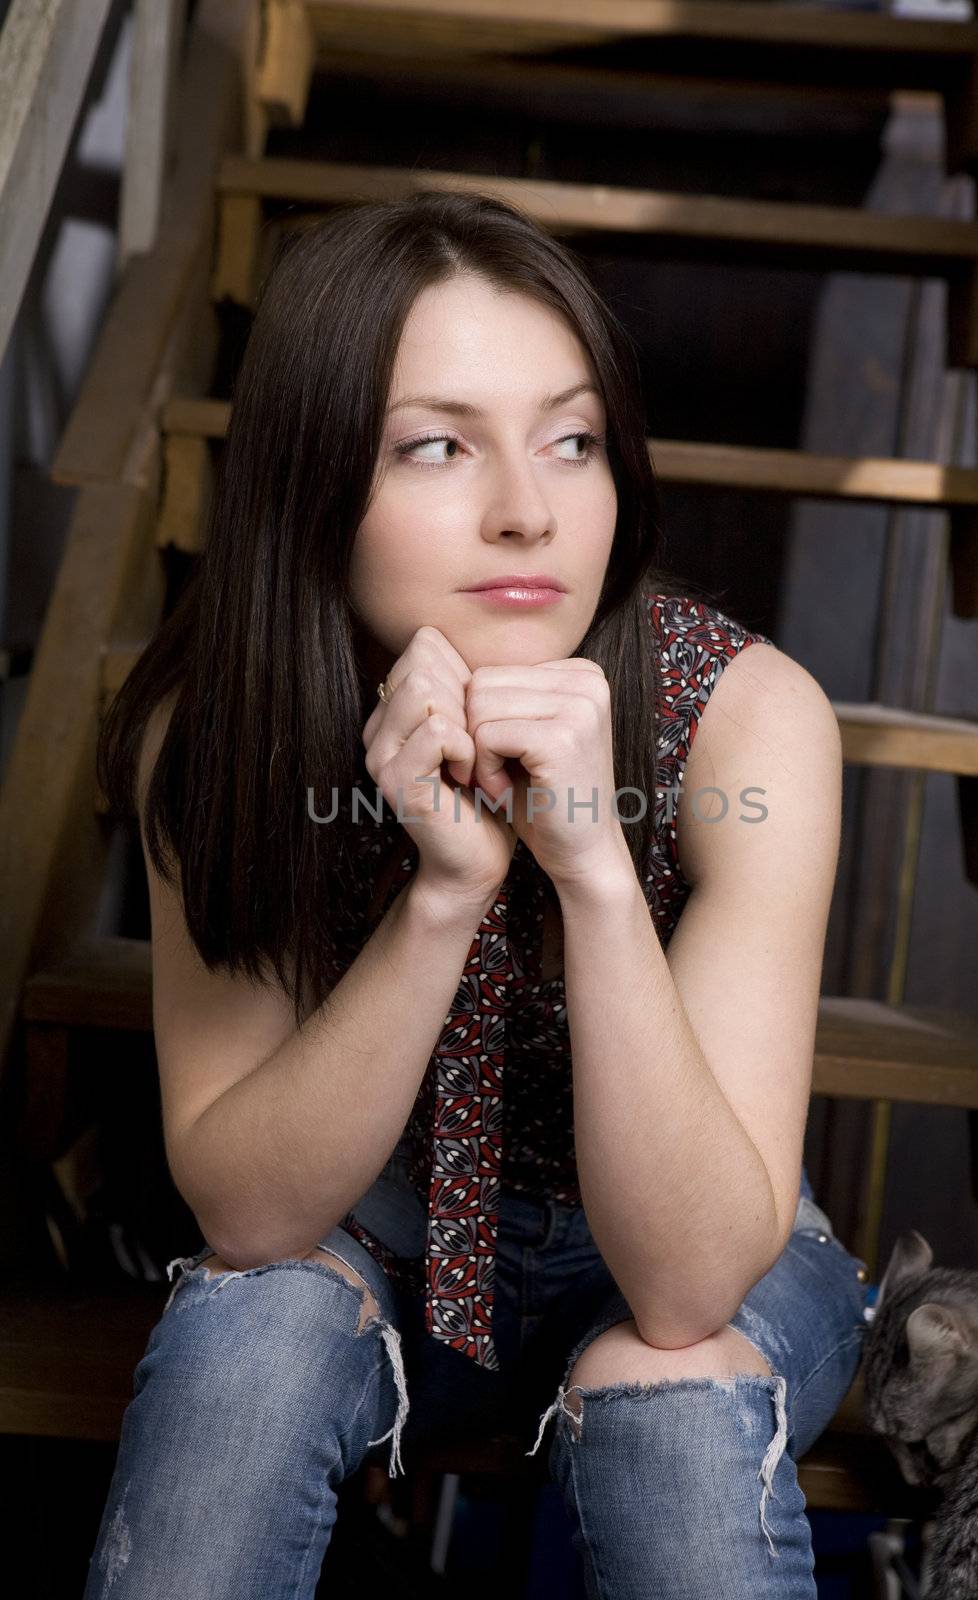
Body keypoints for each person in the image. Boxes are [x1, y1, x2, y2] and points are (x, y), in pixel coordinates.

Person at [85, 191, 870, 1599]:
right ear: (314, 478)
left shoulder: (749, 722)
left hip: (701, 1250)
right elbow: (250, 1211)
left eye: (571, 440)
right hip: (364, 1234)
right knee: (246, 1338)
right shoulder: (220, 724)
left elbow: (691, 1282)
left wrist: (593, 875)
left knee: (669, 1389)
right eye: (439, 446)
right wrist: (445, 894)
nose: (528, 510)